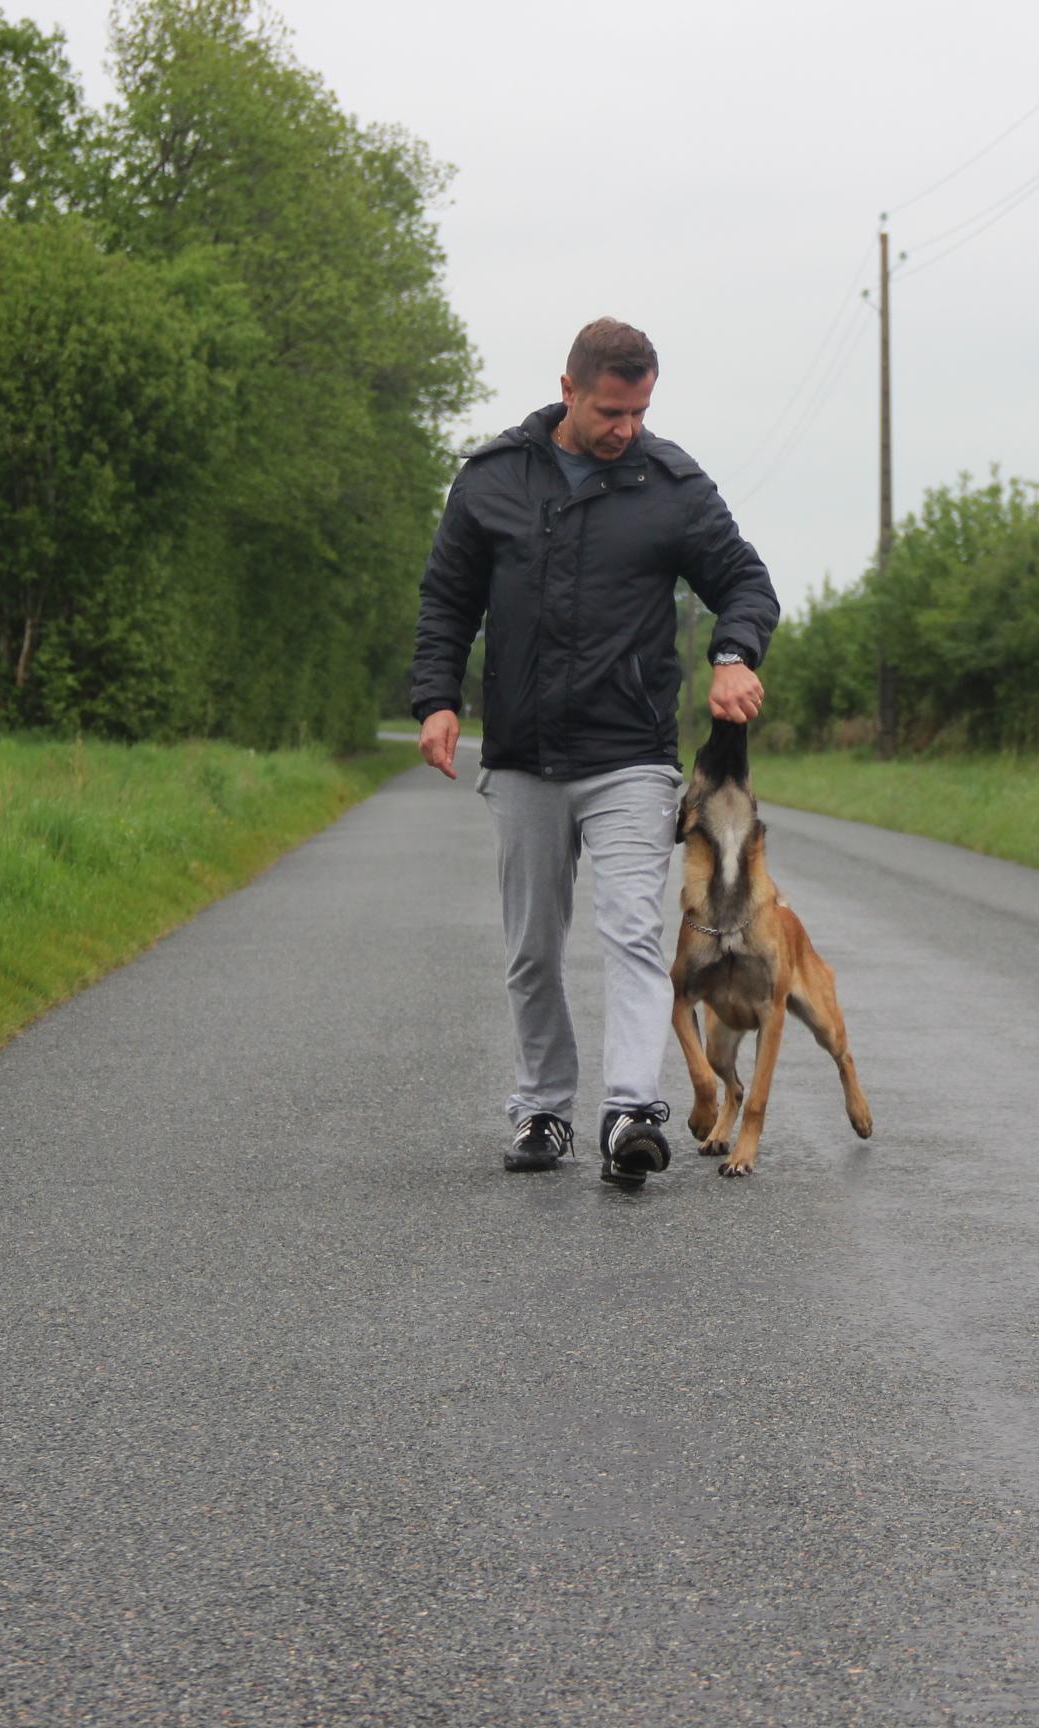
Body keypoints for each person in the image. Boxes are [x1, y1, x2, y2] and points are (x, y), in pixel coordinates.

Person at [411, 317, 781, 1187]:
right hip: (524, 755)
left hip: (629, 755)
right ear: (570, 390)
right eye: (612, 411)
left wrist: (734, 654)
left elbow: (745, 581)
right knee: (533, 947)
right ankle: (543, 1109)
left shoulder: (673, 485)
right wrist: (433, 699)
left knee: (631, 932)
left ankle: (629, 1111)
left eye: (641, 410)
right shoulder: (494, 479)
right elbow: (446, 600)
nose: (627, 429)